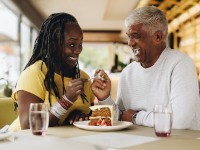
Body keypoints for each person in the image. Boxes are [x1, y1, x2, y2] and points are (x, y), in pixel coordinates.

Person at [91, 6, 200, 130]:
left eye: (136, 36)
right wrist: (104, 98)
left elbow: (180, 121)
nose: (130, 43)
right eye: (129, 36)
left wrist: (136, 117)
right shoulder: (127, 73)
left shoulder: (180, 64)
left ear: (158, 37)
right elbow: (121, 117)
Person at [10, 13, 95, 131]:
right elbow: (29, 126)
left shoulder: (83, 77)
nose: (78, 50)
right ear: (53, 44)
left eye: (80, 44)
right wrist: (66, 101)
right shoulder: (34, 74)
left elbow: (91, 116)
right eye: (72, 44)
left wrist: (81, 117)